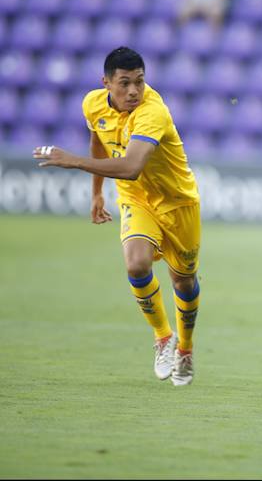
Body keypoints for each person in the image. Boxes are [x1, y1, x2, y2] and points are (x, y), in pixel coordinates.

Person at [33, 47, 202, 387]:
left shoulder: (152, 112)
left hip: (177, 203)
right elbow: (99, 141)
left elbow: (130, 166)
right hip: (136, 198)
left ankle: (185, 349)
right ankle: (163, 338)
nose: (133, 91)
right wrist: (96, 193)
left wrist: (74, 161)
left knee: (182, 280)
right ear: (106, 83)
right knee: (136, 265)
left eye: (139, 82)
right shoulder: (92, 104)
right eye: (124, 83)